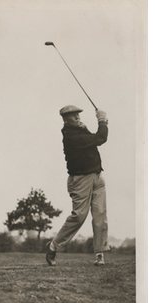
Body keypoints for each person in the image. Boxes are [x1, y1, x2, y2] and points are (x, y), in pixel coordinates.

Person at [46, 105, 109, 266]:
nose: (78, 118)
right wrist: (102, 121)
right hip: (80, 180)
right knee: (79, 216)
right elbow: (100, 138)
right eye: (75, 116)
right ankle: (54, 245)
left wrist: (96, 124)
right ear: (66, 120)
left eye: (79, 115)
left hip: (97, 175)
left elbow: (96, 138)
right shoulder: (70, 136)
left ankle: (99, 253)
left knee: (100, 214)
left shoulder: (80, 130)